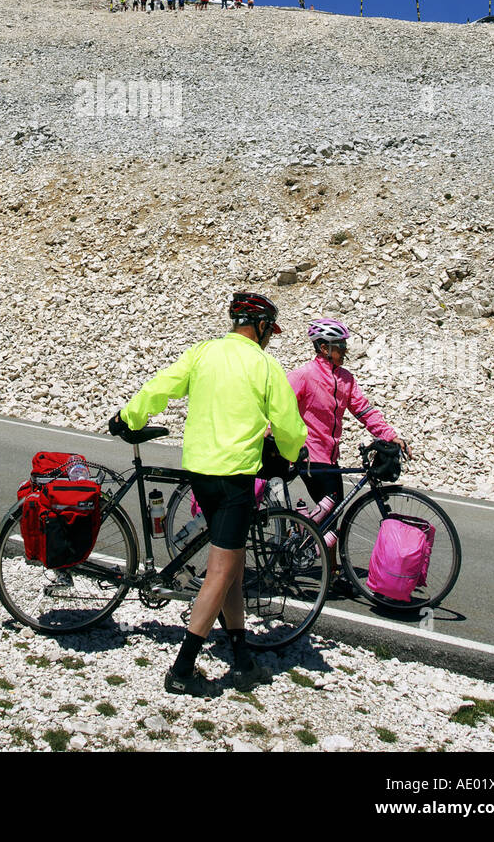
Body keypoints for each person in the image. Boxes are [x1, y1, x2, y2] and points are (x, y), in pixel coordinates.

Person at [110, 292, 306, 696]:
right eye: (271, 330)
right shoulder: (265, 365)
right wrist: (291, 454)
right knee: (220, 571)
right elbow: (288, 425)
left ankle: (242, 659)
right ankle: (182, 668)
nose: (271, 338)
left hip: (200, 471)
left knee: (229, 564)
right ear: (263, 326)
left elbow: (160, 386)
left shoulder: (202, 353)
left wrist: (128, 416)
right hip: (235, 478)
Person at [287, 320, 411, 591]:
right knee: (332, 514)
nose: (344, 350)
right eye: (339, 346)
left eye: (344, 345)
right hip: (309, 456)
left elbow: (364, 411)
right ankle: (327, 571)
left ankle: (311, 543)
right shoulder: (304, 375)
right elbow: (278, 406)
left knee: (332, 516)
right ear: (322, 348)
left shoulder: (345, 379)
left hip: (330, 458)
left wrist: (389, 435)